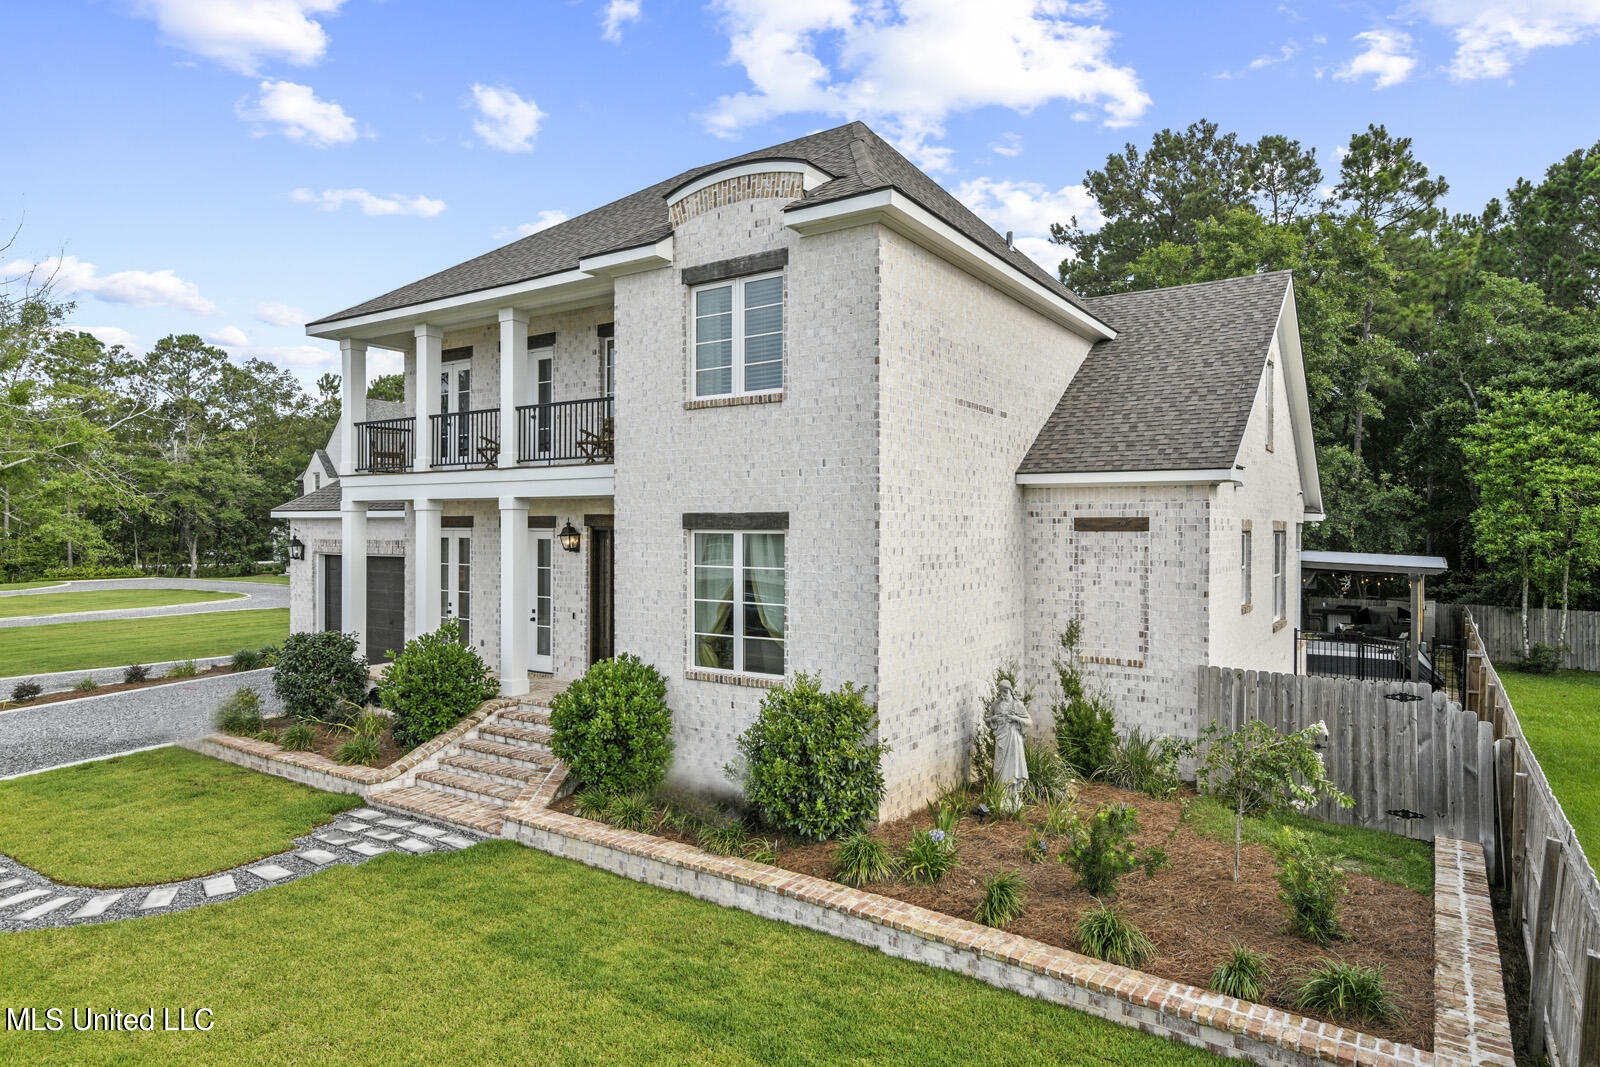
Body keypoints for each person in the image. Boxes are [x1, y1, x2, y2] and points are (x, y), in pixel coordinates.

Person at [990, 679, 1030, 806]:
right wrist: (993, 719)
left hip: (1013, 740)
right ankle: (1001, 796)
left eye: (1005, 691)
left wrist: (1016, 718)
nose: (1003, 694)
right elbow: (988, 720)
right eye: (1001, 691)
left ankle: (1013, 796)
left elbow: (1029, 721)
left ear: (1011, 691)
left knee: (1013, 766)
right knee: (999, 767)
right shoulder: (995, 705)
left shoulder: (1017, 705)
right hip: (1001, 739)